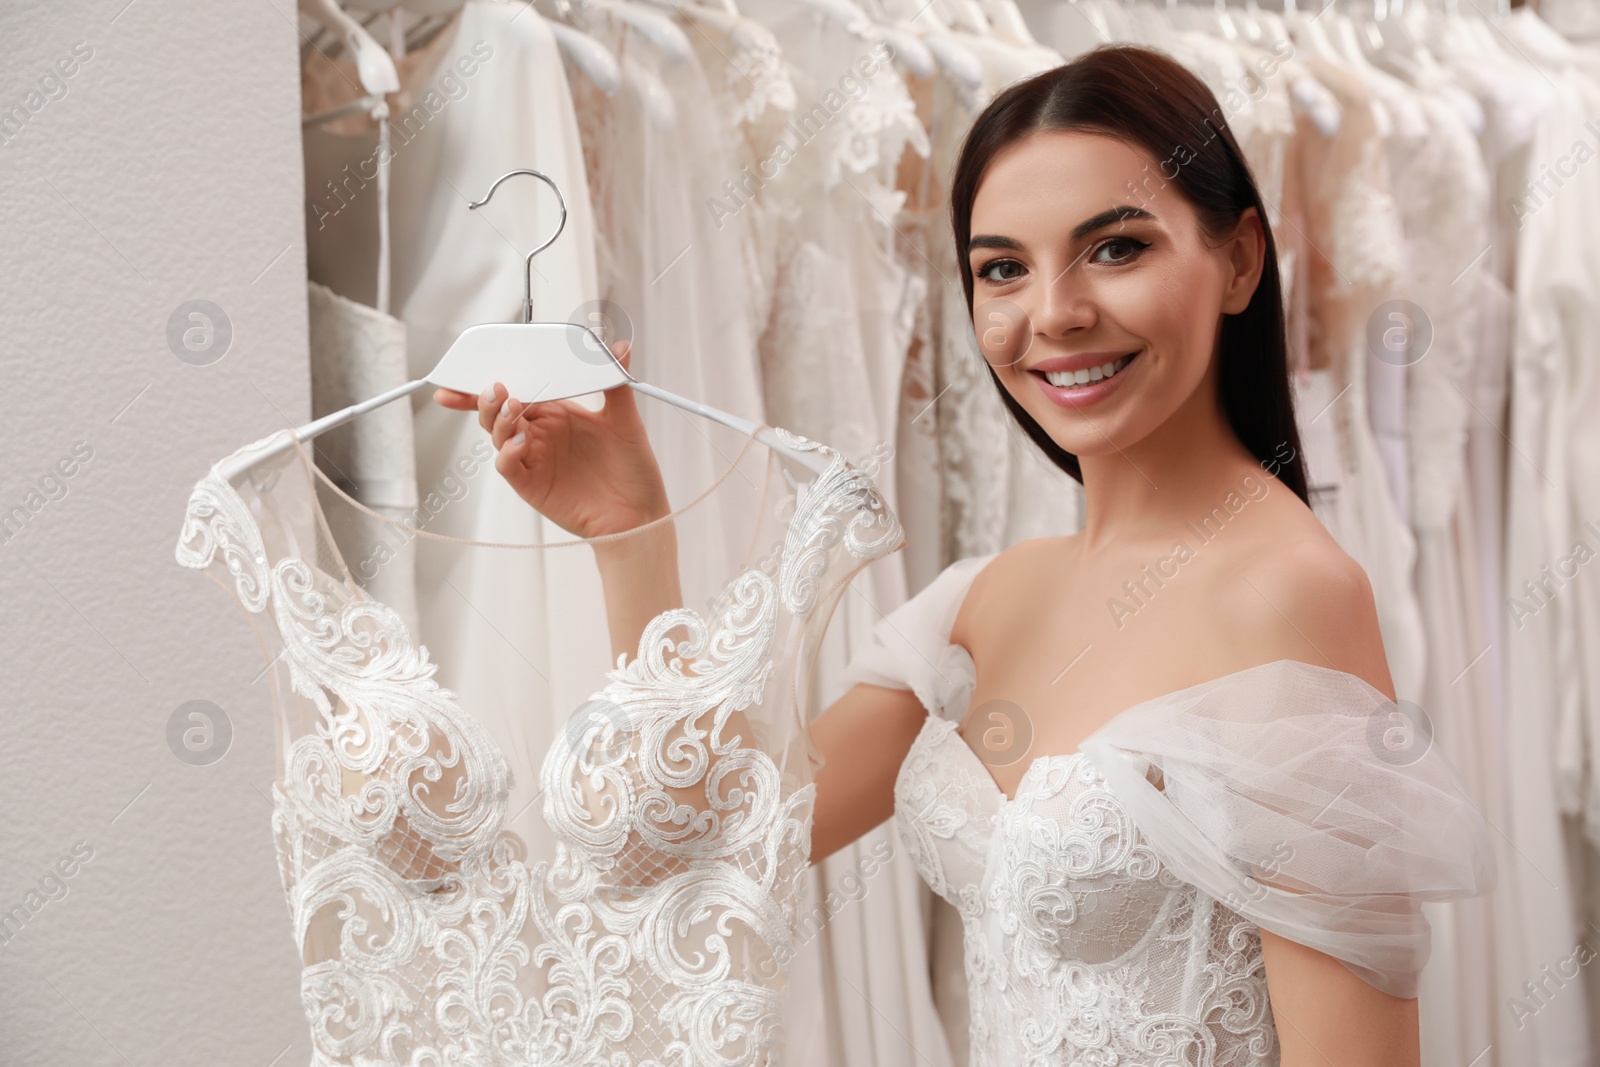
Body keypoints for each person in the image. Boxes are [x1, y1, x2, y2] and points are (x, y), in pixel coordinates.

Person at [436, 43, 1490, 1067]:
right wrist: (630, 531)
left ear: (1239, 260)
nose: (1055, 315)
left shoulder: (1286, 595)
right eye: (1002, 269)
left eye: (1116, 248)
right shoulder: (980, 601)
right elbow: (703, 840)